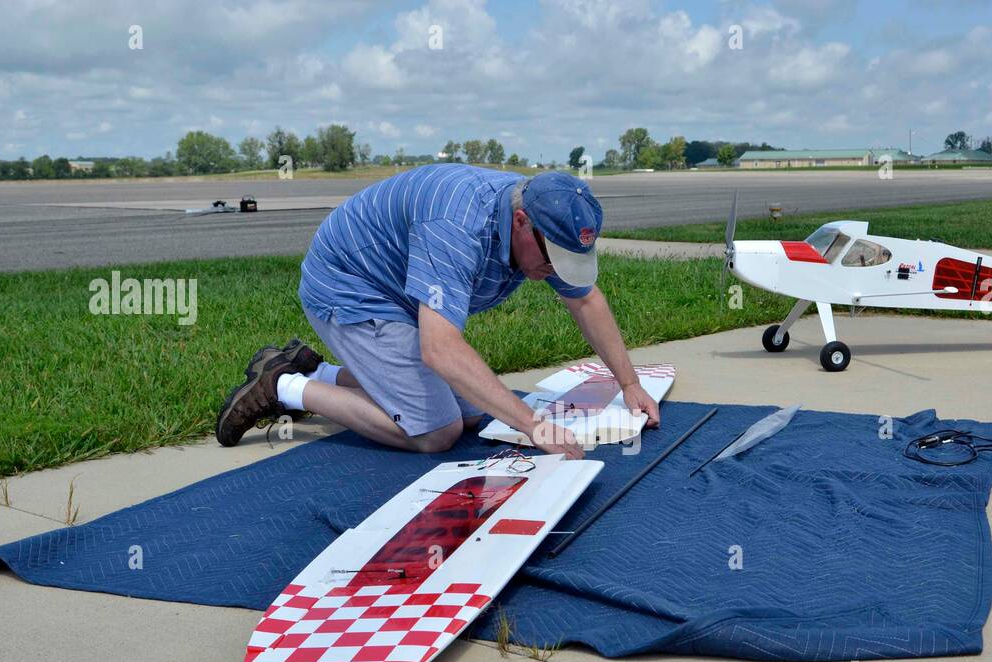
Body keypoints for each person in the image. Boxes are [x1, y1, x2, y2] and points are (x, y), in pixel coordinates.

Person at [215, 166, 660, 457]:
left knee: (469, 415)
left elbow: (584, 298)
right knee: (436, 432)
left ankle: (318, 373)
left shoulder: (543, 217)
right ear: (522, 222)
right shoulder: (457, 226)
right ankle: (285, 386)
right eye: (553, 258)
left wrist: (629, 383)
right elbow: (440, 349)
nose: (553, 271)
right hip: (351, 285)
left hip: (401, 291)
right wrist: (534, 426)